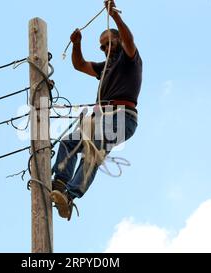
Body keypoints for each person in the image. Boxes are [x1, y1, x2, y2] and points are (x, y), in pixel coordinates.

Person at [51, 0, 142, 220]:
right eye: (101, 47)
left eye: (108, 43)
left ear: (118, 40)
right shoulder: (106, 67)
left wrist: (116, 18)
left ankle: (70, 196)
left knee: (92, 150)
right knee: (69, 142)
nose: (104, 49)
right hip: (100, 117)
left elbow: (129, 41)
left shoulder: (129, 59)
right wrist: (77, 44)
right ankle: (60, 183)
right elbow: (79, 65)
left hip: (122, 117)